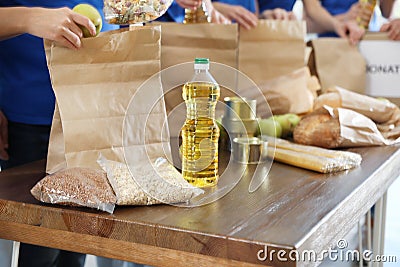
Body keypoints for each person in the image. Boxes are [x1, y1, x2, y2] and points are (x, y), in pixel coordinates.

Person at [0, 2, 117, 267]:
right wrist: (32, 17)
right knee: (38, 250)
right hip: (28, 117)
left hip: (93, 116)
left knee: (76, 246)